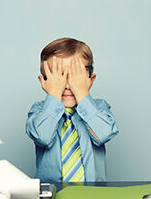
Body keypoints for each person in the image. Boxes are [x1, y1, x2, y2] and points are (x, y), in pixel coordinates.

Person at [25, 37, 119, 182]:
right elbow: (42, 137)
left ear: (90, 79)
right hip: (52, 194)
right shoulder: (39, 110)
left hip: (92, 195)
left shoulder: (99, 108)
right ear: (44, 82)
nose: (67, 86)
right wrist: (54, 93)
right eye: (59, 78)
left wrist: (81, 93)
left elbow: (104, 134)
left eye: (75, 78)